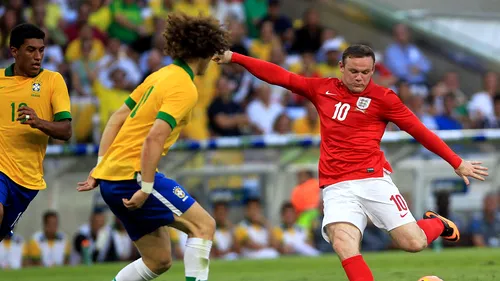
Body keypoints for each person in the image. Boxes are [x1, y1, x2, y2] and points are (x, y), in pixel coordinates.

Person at [213, 44, 488, 281]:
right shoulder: (321, 89)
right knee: (343, 243)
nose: (359, 78)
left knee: (413, 243)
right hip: (336, 186)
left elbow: (419, 130)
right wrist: (235, 57)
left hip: (373, 180)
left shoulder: (384, 99)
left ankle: (436, 223)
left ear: (373, 70)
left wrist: (456, 161)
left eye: (366, 73)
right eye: (354, 71)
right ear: (341, 67)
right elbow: (280, 76)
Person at [77, 13, 230, 281]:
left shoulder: (160, 75)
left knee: (157, 260)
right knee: (203, 226)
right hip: (132, 178)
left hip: (113, 178)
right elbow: (154, 138)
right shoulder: (185, 86)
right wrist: (146, 187)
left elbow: (116, 118)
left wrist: (101, 167)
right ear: (204, 52)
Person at [0, 23, 72, 241]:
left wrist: (39, 122)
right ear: (14, 51)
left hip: (27, 180)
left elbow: (66, 130)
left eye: (41, 50)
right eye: (31, 50)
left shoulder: (53, 81)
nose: (38, 56)